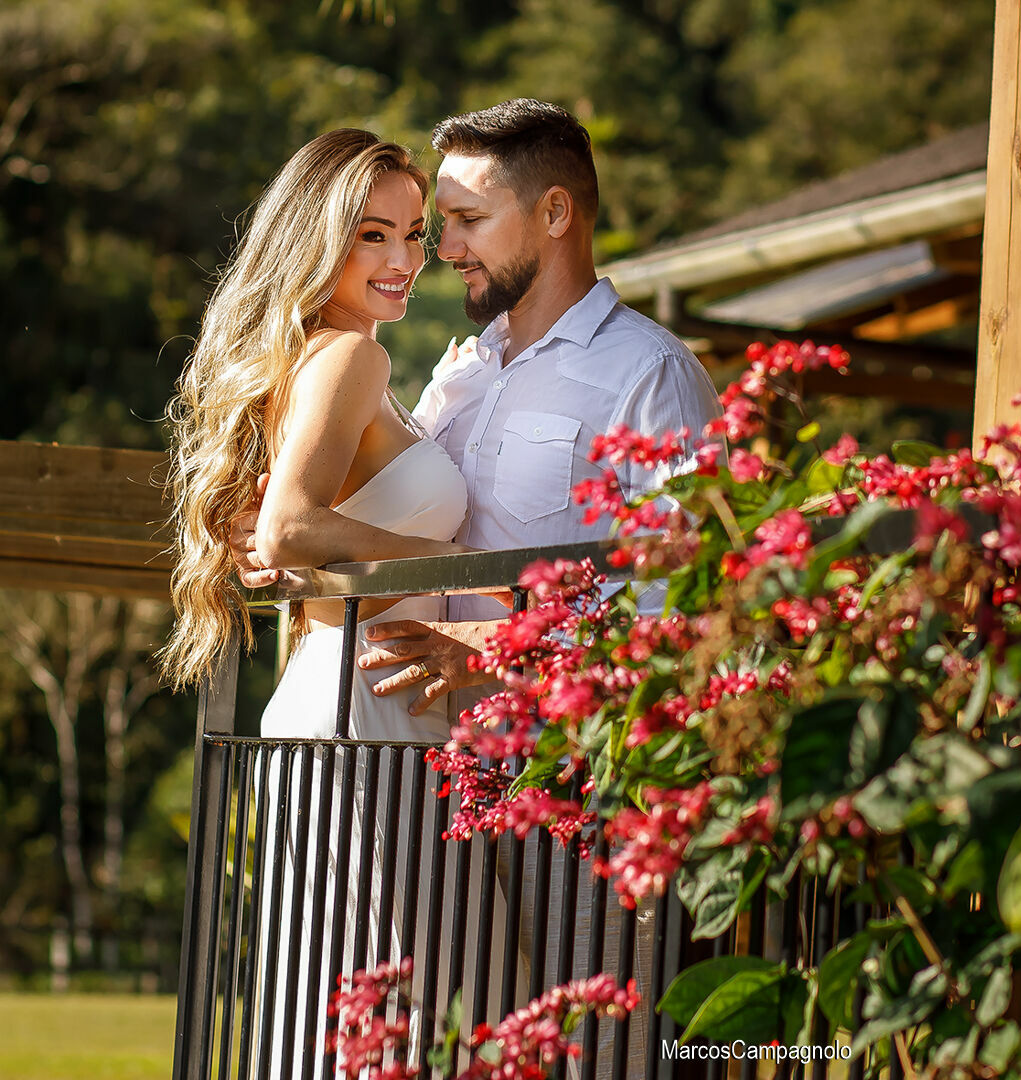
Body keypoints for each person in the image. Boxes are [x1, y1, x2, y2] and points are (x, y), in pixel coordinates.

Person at [234, 99, 722, 1075]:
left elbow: (691, 607)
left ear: (552, 215)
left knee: (593, 1050)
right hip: (418, 758)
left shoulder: (650, 377)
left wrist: (508, 654)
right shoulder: (458, 373)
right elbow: (336, 522)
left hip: (576, 784)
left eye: (457, 221)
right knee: (413, 1031)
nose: (437, 250)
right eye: (421, 227)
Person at [162, 128, 473, 1078]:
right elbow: (288, 531)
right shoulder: (349, 360)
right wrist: (466, 561)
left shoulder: (322, 356)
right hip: (360, 715)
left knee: (370, 1012)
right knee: (411, 1014)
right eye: (370, 234)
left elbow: (286, 539)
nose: (401, 261)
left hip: (347, 702)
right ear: (317, 237)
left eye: (415, 235)